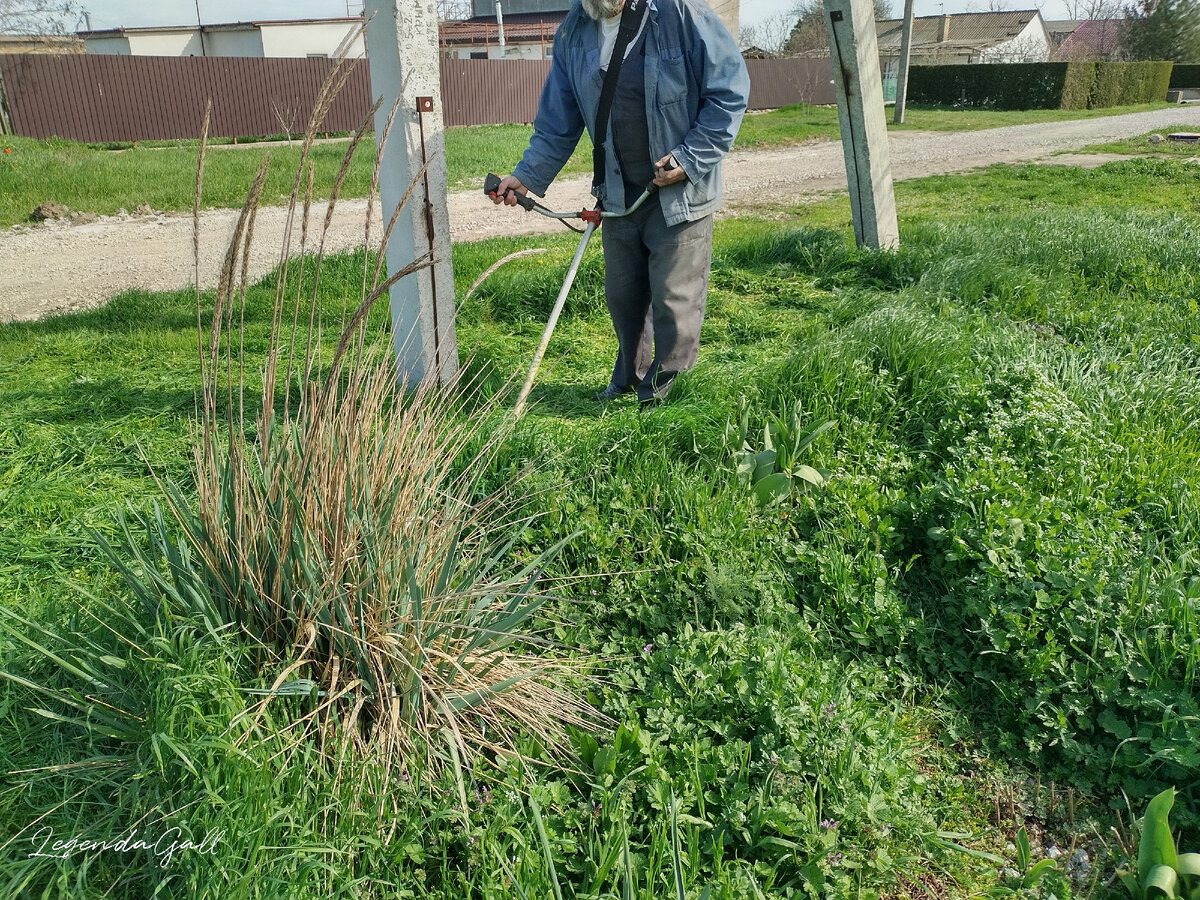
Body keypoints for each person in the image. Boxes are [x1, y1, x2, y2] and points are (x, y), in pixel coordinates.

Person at [489, 0, 749, 407]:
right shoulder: (574, 32)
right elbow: (558, 121)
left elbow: (728, 93)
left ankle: (663, 401)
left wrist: (689, 159)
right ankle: (630, 378)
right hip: (617, 196)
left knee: (673, 301)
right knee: (624, 298)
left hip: (678, 192)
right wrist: (527, 176)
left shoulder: (682, 17)